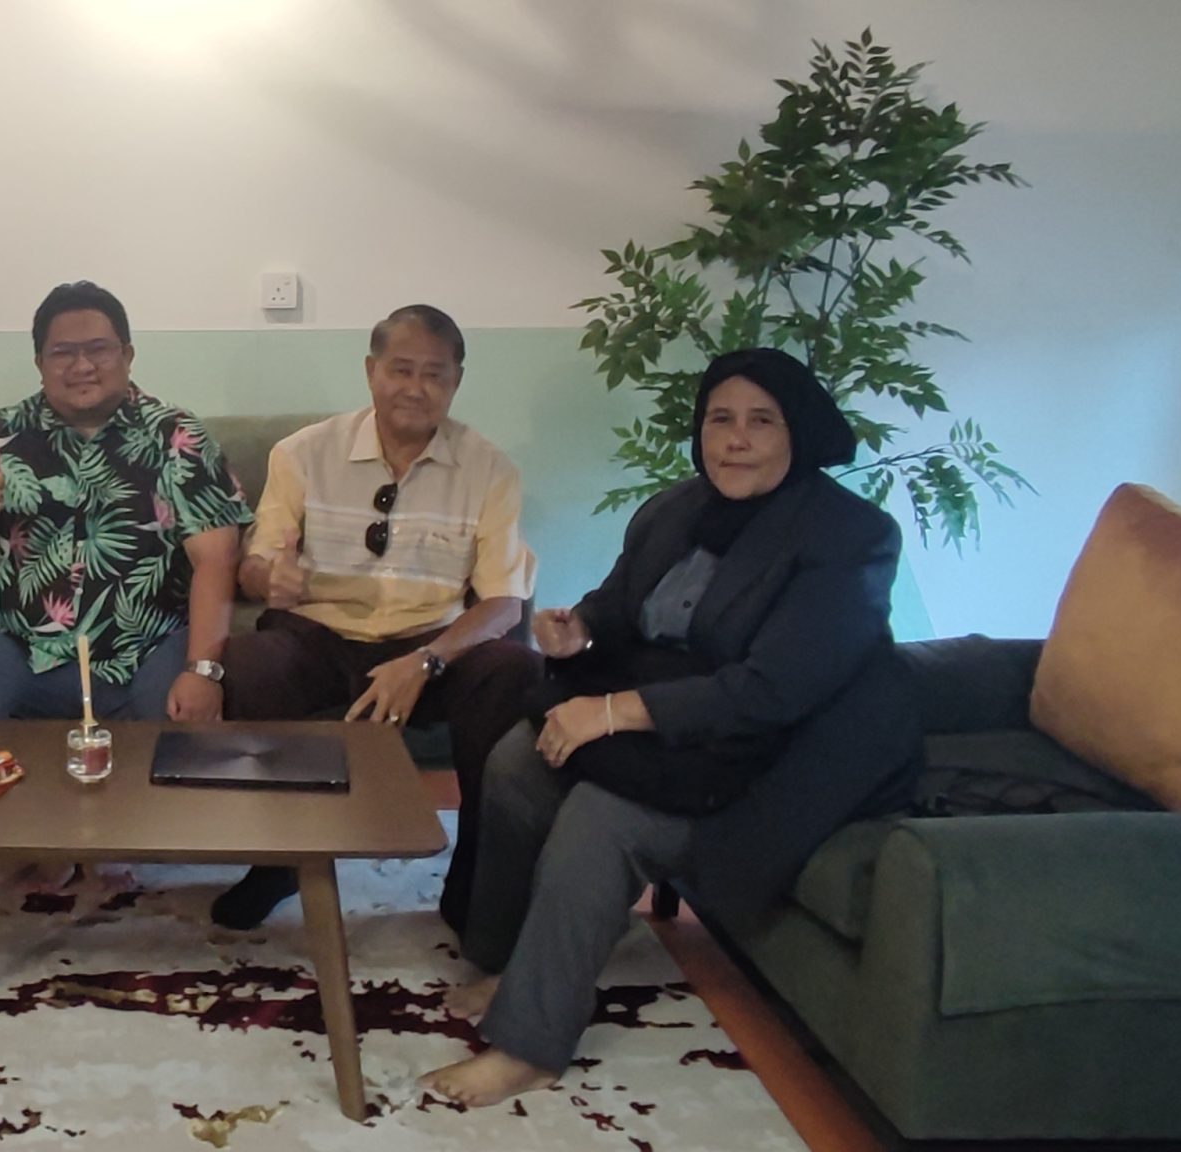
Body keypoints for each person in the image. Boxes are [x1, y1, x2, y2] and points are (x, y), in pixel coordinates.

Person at [420, 348, 922, 1106]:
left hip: (775, 758)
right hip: (677, 729)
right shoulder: (675, 509)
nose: (736, 440)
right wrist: (579, 630)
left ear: (800, 433)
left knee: (604, 815)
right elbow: (620, 604)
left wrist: (609, 713)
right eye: (720, 419)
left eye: (762, 421)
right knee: (519, 761)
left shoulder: (850, 536)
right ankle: (512, 961)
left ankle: (530, 1045)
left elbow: (774, 689)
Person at [207, 304, 544, 930]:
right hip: (322, 637)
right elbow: (255, 563)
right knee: (250, 659)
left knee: (513, 670)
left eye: (434, 375)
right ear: (371, 371)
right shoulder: (303, 453)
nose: (415, 388)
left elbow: (503, 602)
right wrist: (267, 578)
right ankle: (279, 859)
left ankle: (476, 872)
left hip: (430, 646)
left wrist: (426, 661)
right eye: (401, 369)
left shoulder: (489, 469)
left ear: (456, 382)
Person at [0, 281, 249, 722]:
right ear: (40, 363)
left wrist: (202, 670)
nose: (82, 366)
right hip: (23, 646)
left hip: (149, 645)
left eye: (98, 349)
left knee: (177, 728)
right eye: (62, 353)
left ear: (127, 355)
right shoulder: (0, 432)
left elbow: (216, 559)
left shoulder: (177, 436)